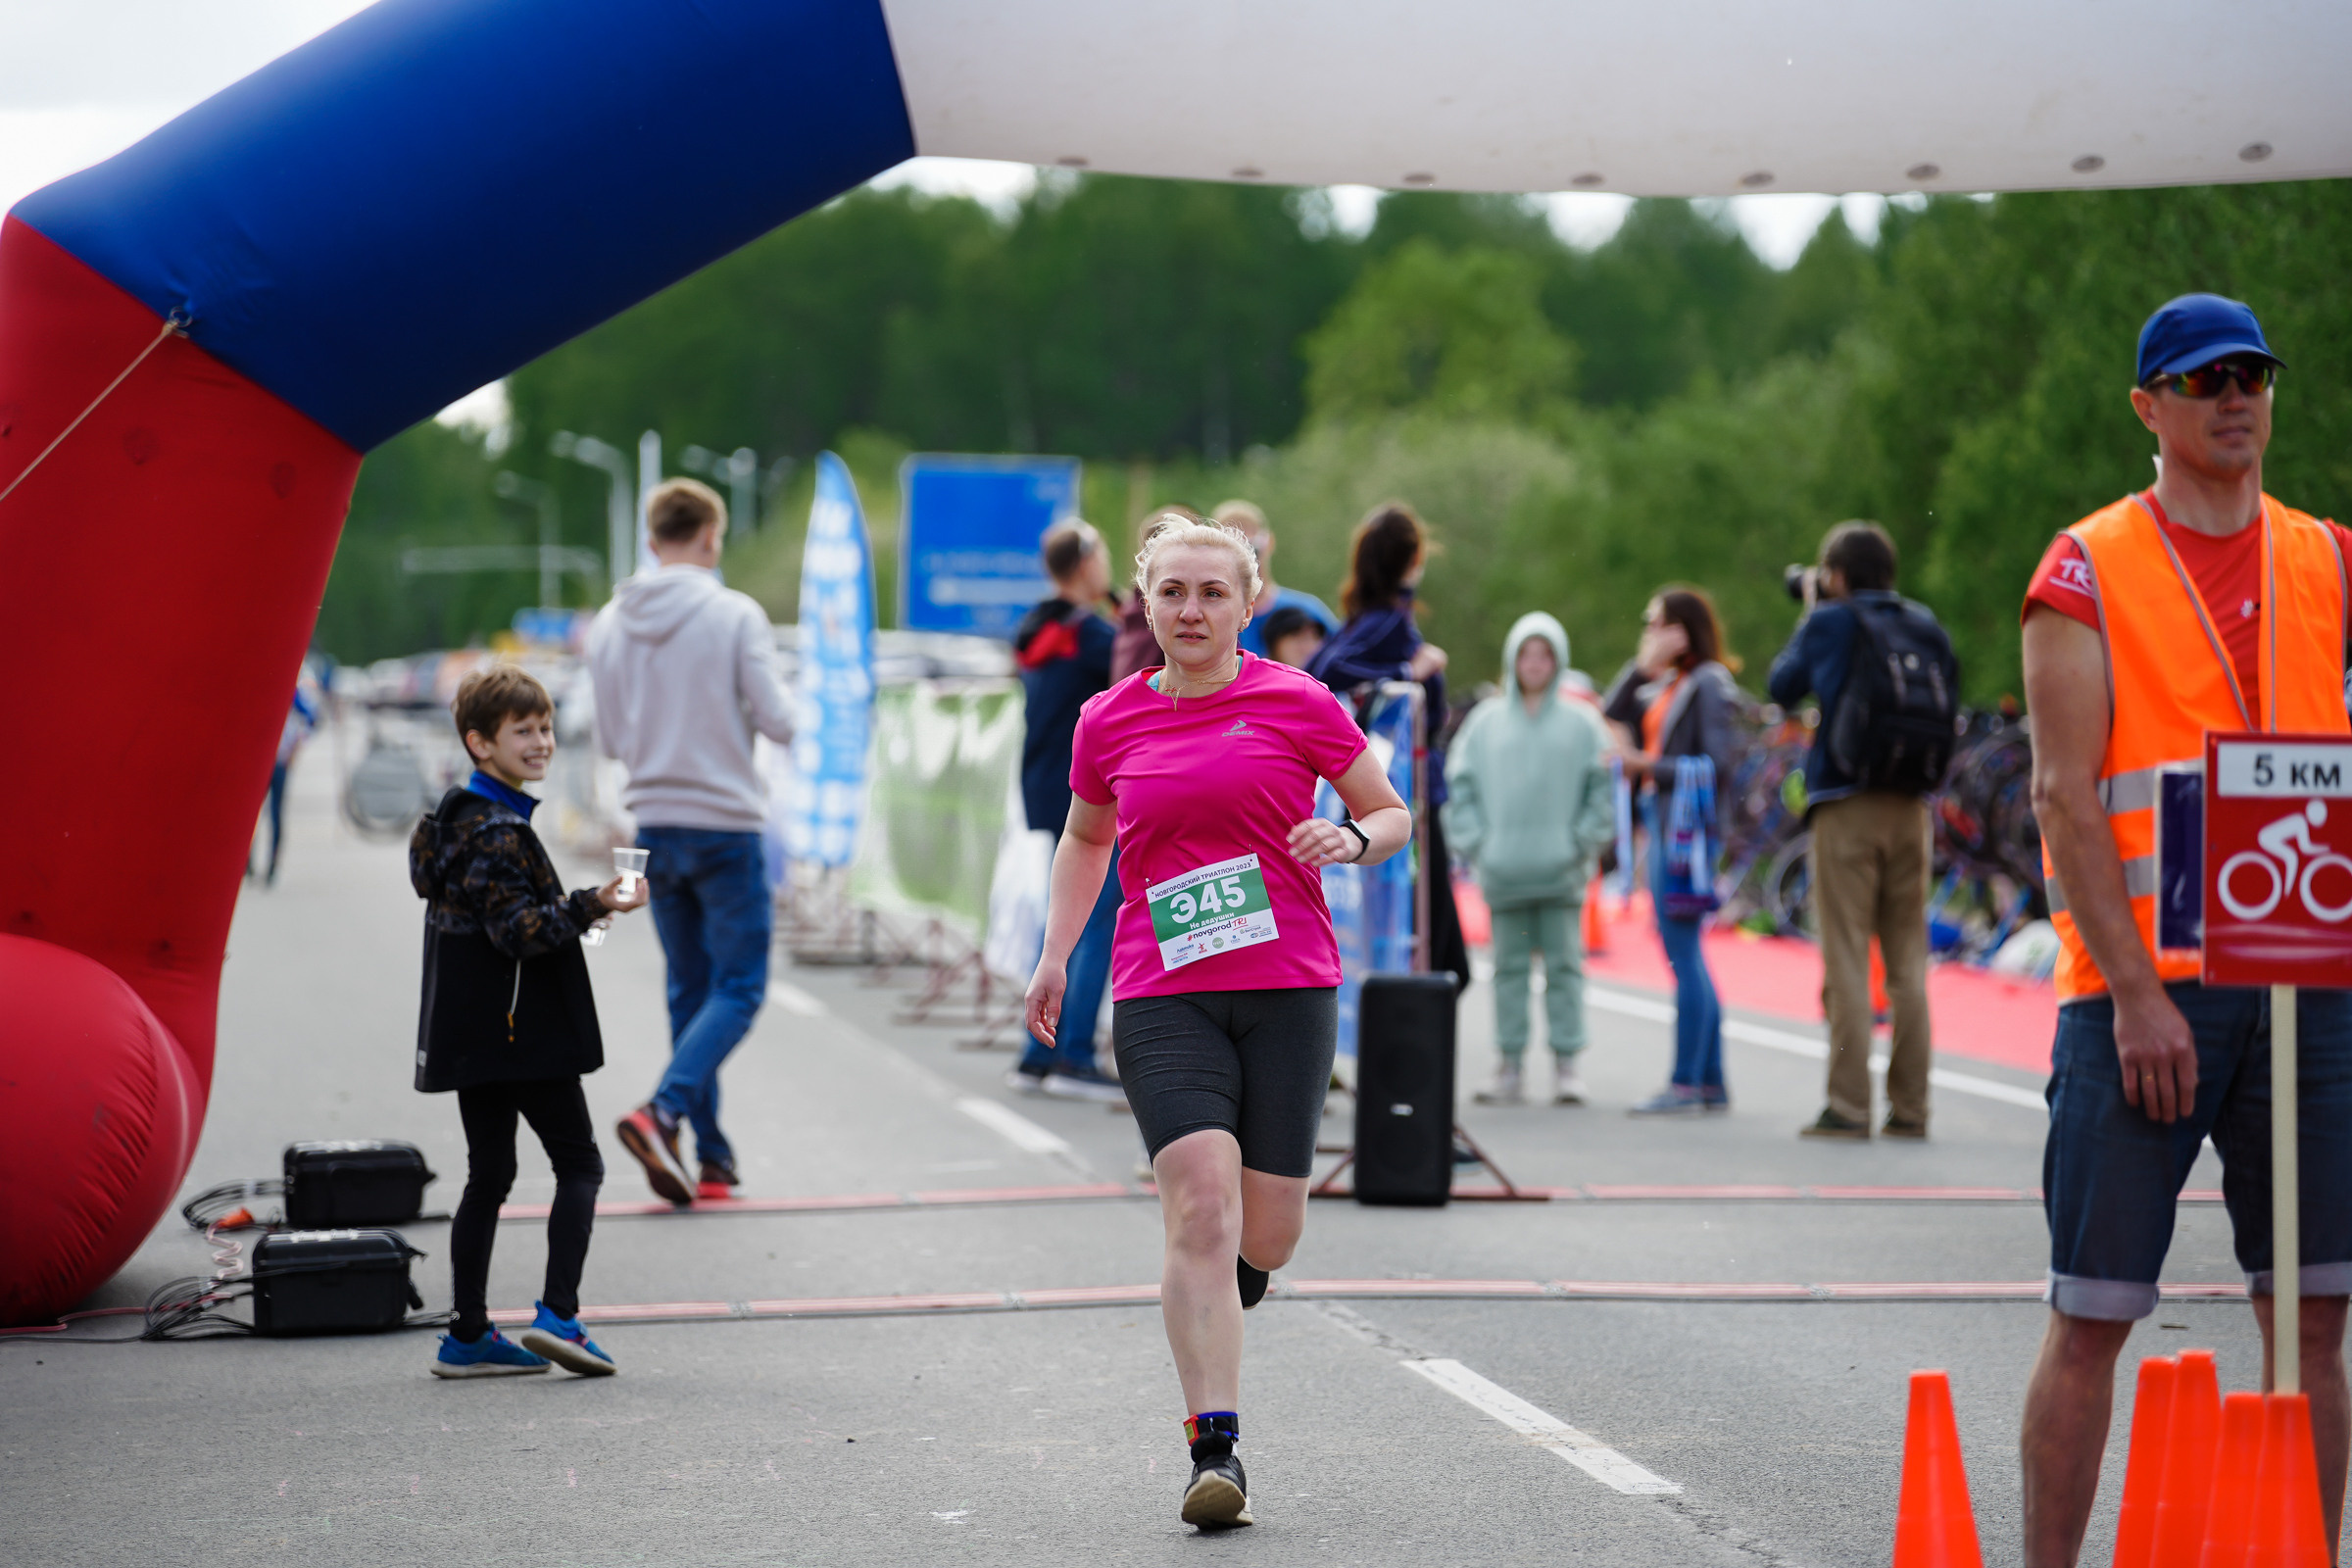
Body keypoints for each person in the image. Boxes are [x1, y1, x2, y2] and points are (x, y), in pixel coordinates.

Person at [2017, 294, 2352, 1566]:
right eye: (2205, 379)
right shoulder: (2087, 566)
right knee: (2095, 1314)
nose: (2236, 397)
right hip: (2138, 995)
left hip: (2309, 985)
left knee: (2314, 1320)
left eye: (2253, 374)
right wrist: (2144, 994)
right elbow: (2063, 793)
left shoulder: (2327, 555)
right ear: (2150, 406)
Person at [1024, 509, 1411, 1531]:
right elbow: (1084, 837)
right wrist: (1058, 951)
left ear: (1246, 604)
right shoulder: (1108, 718)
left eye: (1212, 593)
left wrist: (1351, 836)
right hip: (1163, 990)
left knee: (1268, 1231)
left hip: (1287, 986)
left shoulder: (1299, 699)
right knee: (1199, 1204)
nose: (1191, 610)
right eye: (1172, 591)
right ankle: (1217, 1448)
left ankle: (1243, 1266)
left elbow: (1391, 810)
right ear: (1144, 601)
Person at [411, 665, 648, 1379]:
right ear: (481, 744)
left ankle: (468, 1334)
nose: (542, 742)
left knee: (491, 1173)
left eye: (545, 727)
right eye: (524, 731)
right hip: (522, 1031)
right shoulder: (498, 831)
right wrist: (594, 904)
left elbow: (490, 918)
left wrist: (586, 904)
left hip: (471, 1028)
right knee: (580, 1164)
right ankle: (559, 1316)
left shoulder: (453, 819)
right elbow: (519, 932)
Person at [587, 477, 795, 1205]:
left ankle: (710, 1155)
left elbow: (609, 738)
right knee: (739, 987)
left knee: (690, 989)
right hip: (725, 821)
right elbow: (779, 721)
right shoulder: (735, 614)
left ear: (651, 540)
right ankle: (664, 1110)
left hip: (651, 825)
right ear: (712, 536)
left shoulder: (610, 623)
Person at [1767, 521, 1941, 1141]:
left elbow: (1781, 685)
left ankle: (1849, 1104)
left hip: (1846, 803)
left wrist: (1814, 611)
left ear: (1836, 574)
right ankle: (1912, 1107)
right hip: (1912, 808)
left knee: (1844, 953)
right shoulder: (1923, 623)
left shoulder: (1832, 620)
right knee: (1907, 962)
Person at [1446, 613, 1614, 1105]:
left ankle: (1567, 1064)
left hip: (1562, 873)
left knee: (1565, 967)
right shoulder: (1485, 723)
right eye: (1526, 654)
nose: (1535, 664)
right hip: (1505, 872)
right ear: (1512, 660)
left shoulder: (1584, 723)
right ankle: (1509, 1064)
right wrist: (1479, 844)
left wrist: (1582, 842)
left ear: (1558, 660)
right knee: (1508, 970)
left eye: (1544, 655)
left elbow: (1601, 789)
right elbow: (1461, 787)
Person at [1306, 502, 1472, 994]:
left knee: (1429, 925)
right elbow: (1323, 672)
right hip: (1411, 789)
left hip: (1407, 784)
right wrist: (1409, 674)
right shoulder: (1386, 621)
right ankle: (1417, 1042)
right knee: (1434, 935)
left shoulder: (1368, 617)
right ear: (1411, 560)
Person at [1603, 588, 1743, 1115]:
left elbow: (1717, 762)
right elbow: (1612, 710)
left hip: (1685, 834)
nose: (1649, 631)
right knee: (1687, 953)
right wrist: (1642, 667)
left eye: (1657, 623)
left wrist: (1645, 767)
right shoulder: (1673, 682)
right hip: (1667, 826)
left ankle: (1687, 1081)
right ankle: (1709, 1081)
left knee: (1683, 953)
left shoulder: (1707, 682)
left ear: (1683, 628)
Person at [1007, 518, 1126, 1102]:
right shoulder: (1095, 636)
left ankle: (1037, 1049)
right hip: (1090, 792)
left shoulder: (1035, 627)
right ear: (1085, 565)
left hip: (1045, 783)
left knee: (1063, 920)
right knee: (1092, 919)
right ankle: (1072, 1051)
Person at [1215, 500, 1339, 659]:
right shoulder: (1214, 617)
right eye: (1235, 549)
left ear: (1270, 542)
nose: (1246, 559)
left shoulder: (1307, 611)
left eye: (1253, 548)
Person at [252, 673, 318, 886]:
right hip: (260, 763)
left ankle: (272, 865)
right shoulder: (260, 691)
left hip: (280, 761)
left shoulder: (293, 693)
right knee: (251, 815)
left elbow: (311, 720)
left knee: (275, 814)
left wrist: (296, 748)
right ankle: (247, 863)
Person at [1258, 604, 1326, 670]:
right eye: (1298, 638)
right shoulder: (1256, 677)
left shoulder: (1326, 677)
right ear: (1274, 645)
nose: (1307, 647)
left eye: (1314, 638)